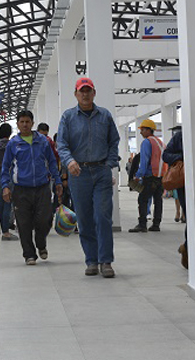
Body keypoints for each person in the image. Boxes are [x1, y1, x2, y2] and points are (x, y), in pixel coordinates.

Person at [57, 77, 120, 278]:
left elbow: (114, 142)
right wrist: (69, 162)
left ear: (94, 93)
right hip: (79, 174)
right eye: (81, 91)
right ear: (75, 94)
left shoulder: (105, 116)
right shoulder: (68, 117)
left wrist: (109, 164)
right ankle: (91, 260)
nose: (85, 94)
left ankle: (106, 261)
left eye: (88, 90)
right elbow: (62, 145)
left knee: (102, 216)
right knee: (84, 219)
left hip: (101, 171)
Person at [1, 110, 62, 265]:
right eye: (22, 122)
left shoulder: (43, 141)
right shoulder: (13, 144)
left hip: (42, 187)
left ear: (32, 123)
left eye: (27, 121)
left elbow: (52, 162)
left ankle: (41, 243)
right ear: (17, 124)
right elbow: (5, 167)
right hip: (21, 189)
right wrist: (5, 187)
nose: (25, 124)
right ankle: (29, 254)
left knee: (44, 219)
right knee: (23, 223)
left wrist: (58, 181)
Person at [129, 119, 168, 233]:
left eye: (142, 130)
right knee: (158, 200)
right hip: (160, 177)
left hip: (150, 177)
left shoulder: (147, 142)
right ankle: (156, 224)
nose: (140, 132)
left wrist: (138, 175)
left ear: (148, 130)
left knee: (143, 199)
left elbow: (144, 161)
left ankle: (142, 225)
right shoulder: (160, 142)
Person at [162, 125, 187, 268]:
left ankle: (187, 247)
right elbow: (166, 155)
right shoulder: (180, 136)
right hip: (185, 183)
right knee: (191, 217)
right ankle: (188, 250)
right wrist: (183, 156)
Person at [0, 123, 18, 240]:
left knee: (1, 204)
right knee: (8, 204)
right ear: (9, 132)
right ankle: (6, 232)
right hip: (9, 174)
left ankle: (3, 230)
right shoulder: (12, 143)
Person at [37, 122, 60, 213]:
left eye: (45, 135)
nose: (44, 138)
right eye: (42, 135)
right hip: (32, 177)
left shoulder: (48, 142)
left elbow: (53, 159)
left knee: (45, 197)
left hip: (46, 175)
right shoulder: (31, 142)